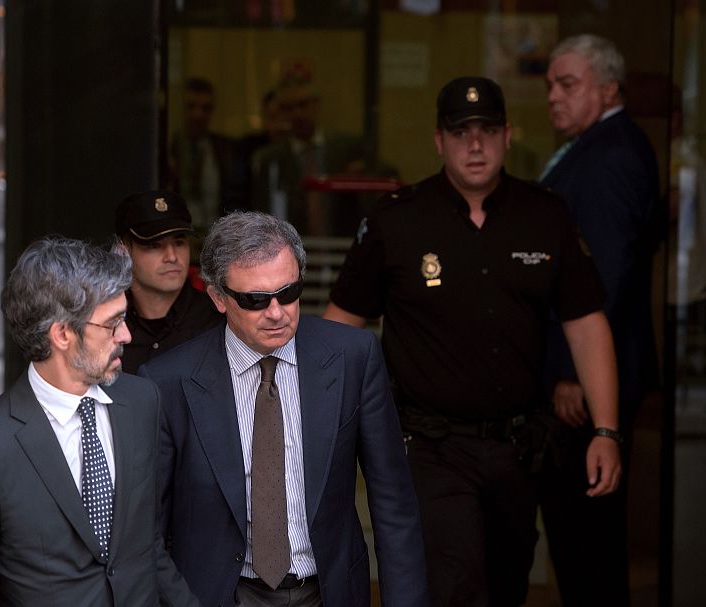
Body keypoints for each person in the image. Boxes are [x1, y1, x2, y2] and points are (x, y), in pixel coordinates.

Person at [324, 76, 622, 607]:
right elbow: (342, 324)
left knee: (508, 584)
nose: (476, 144)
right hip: (430, 448)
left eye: (487, 130)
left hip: (518, 448)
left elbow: (586, 324)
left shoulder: (546, 215)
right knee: (452, 583)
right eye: (462, 132)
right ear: (440, 141)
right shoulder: (397, 219)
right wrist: (322, 427)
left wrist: (606, 430)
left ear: (508, 135)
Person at [140, 211, 429, 607]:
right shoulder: (168, 380)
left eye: (288, 293)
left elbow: (393, 502)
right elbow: (149, 528)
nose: (276, 312)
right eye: (255, 300)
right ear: (218, 298)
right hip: (218, 595)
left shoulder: (352, 357)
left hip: (327, 591)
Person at [0, 237, 199, 607]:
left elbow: (147, 547)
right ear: (62, 334)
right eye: (113, 323)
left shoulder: (142, 401)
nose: (126, 335)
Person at [539, 34, 663, 606]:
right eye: (550, 86)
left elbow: (603, 277)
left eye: (568, 84)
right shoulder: (597, 147)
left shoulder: (612, 156)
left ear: (609, 89)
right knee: (580, 537)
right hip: (589, 374)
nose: (553, 97)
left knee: (587, 538)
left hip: (591, 380)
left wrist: (574, 373)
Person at [115, 190, 223, 374]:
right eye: (154, 245)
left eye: (179, 242)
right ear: (124, 250)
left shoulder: (217, 322)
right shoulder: (106, 327)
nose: (172, 257)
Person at [252, 78, 367, 236]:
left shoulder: (347, 149)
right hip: (294, 243)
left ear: (316, 105)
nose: (297, 113)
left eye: (303, 105)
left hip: (342, 242)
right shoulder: (271, 158)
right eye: (288, 108)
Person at [169, 77, 238, 232]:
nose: (198, 114)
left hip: (215, 233)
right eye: (191, 107)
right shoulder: (169, 147)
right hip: (178, 234)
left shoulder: (223, 148)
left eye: (205, 109)